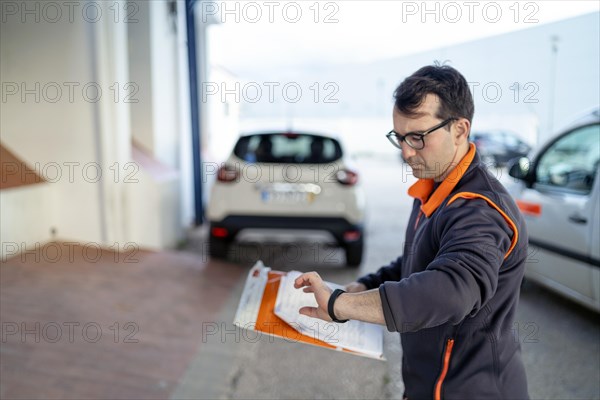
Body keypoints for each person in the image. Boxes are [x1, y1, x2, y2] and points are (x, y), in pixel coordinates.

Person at [294, 65, 530, 399]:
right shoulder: (435, 186)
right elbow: (417, 261)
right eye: (399, 137)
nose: (406, 151)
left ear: (460, 130)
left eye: (418, 137)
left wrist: (339, 306)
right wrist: (360, 287)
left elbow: (451, 289)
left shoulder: (480, 210)